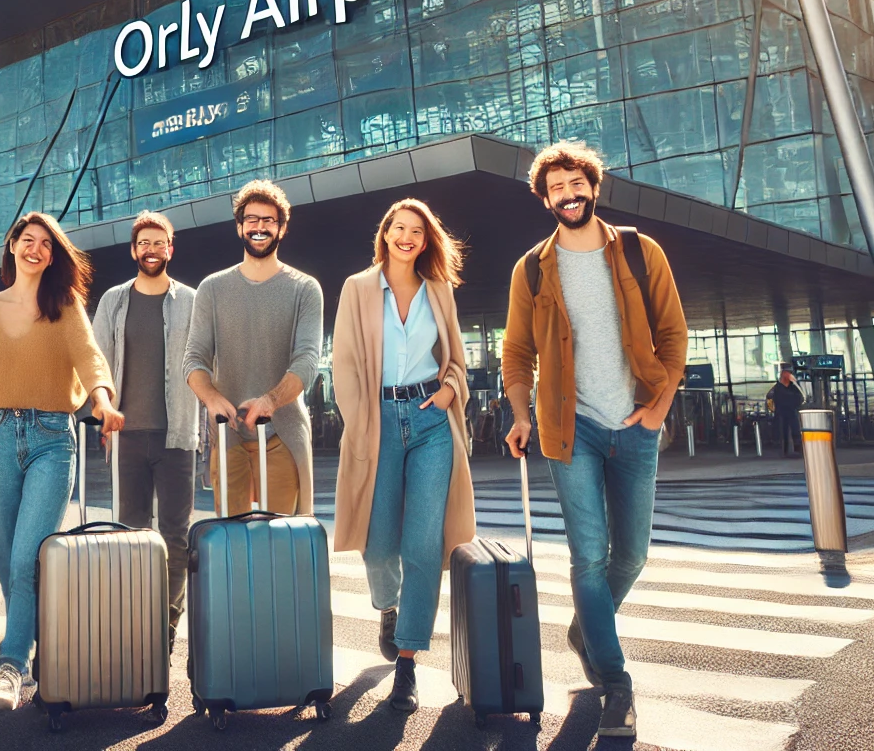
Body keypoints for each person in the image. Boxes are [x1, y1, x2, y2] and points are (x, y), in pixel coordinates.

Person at [502, 141, 687, 741]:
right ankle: (616, 681)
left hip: (635, 420)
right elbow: (517, 351)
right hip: (569, 428)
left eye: (576, 183)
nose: (569, 194)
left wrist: (658, 408)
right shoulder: (532, 268)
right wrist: (520, 412)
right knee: (590, 555)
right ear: (544, 198)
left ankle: (587, 628)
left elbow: (672, 333)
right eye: (557, 187)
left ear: (593, 186)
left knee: (631, 555)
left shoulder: (638, 249)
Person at [0, 212, 120, 711]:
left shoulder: (63, 303)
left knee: (29, 556)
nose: (37, 249)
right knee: (7, 558)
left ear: (54, 255)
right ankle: (31, 642)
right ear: (13, 246)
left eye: (47, 244)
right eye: (28, 240)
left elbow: (89, 356)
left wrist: (103, 400)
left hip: (52, 436)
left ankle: (12, 666)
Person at [331, 198, 475, 713]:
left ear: (427, 239)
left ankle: (408, 666)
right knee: (379, 541)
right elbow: (343, 363)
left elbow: (456, 358)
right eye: (399, 228)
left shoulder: (440, 290)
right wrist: (360, 422)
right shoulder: (358, 288)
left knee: (423, 546)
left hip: (432, 419)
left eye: (417, 230)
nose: (407, 236)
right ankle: (387, 608)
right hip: (378, 421)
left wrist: (449, 390)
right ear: (386, 234)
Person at [88, 210, 198, 646]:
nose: (152, 250)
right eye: (144, 243)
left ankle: (168, 622)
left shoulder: (192, 300)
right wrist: (100, 409)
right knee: (131, 530)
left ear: (171, 249)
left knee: (175, 535)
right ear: (133, 250)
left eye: (160, 243)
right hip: (126, 436)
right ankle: (136, 617)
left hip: (178, 435)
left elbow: (206, 357)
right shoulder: (114, 300)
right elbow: (96, 359)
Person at [184, 180, 322, 517]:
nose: (260, 227)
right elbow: (194, 358)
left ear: (282, 228)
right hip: (228, 434)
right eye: (252, 220)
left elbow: (307, 360)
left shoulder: (304, 288)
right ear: (239, 227)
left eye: (269, 221)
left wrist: (270, 401)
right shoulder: (212, 289)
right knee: (230, 541)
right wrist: (212, 398)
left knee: (283, 539)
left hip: (282, 433)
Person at [767, 368, 805, 457]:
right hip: (781, 413)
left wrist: (795, 384)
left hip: (792, 412)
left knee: (795, 430)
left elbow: (801, 398)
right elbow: (770, 397)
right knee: (783, 432)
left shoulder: (793, 387)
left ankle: (797, 449)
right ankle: (784, 450)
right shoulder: (777, 387)